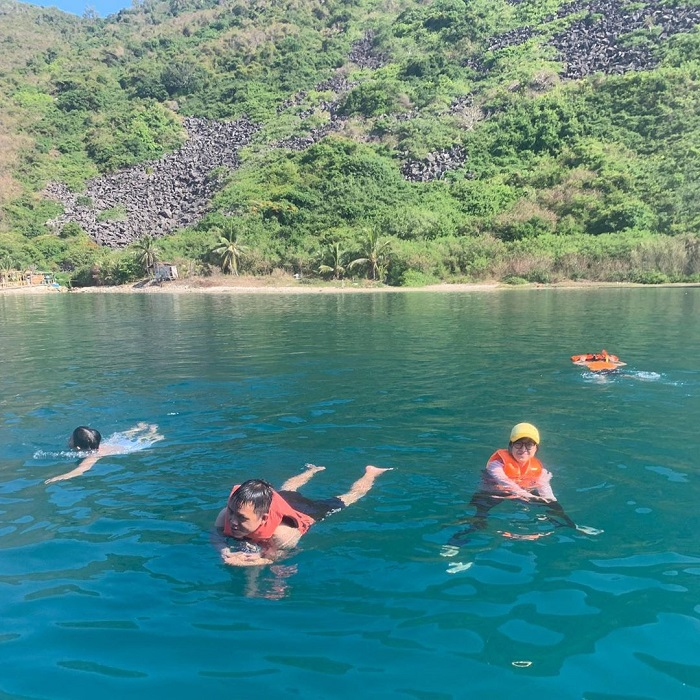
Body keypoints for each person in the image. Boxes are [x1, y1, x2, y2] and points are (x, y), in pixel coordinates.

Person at [448, 423, 598, 546]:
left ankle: (572, 526)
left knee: (552, 507)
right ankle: (454, 543)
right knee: (479, 518)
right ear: (511, 446)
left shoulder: (539, 469)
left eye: (529, 445)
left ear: (536, 448)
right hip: (492, 493)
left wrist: (551, 503)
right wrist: (526, 495)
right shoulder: (496, 464)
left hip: (521, 494)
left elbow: (545, 488)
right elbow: (504, 481)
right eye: (519, 444)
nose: (523, 450)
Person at [213, 463, 392, 567]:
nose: (233, 521)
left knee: (348, 498)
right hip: (282, 501)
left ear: (264, 518)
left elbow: (284, 554)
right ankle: (312, 470)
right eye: (232, 512)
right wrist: (224, 550)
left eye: (242, 518)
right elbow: (216, 536)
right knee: (288, 489)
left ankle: (371, 473)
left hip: (305, 512)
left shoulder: (283, 533)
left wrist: (260, 560)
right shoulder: (227, 514)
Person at [45, 423, 163, 484]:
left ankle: (153, 434)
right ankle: (143, 430)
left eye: (70, 438)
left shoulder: (92, 456)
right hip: (120, 444)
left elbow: (80, 471)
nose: (68, 439)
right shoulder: (98, 445)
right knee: (127, 437)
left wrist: (59, 477)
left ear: (78, 447)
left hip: (129, 447)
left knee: (147, 440)